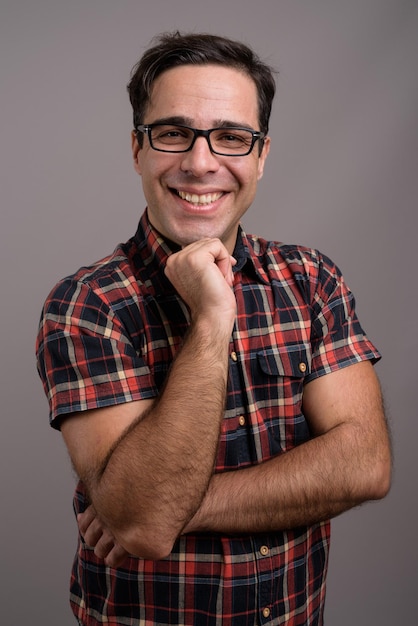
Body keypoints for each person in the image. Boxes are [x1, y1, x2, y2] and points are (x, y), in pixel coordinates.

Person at [36, 32, 391, 626]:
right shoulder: (86, 305)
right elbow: (146, 528)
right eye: (173, 133)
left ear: (262, 154)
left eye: (231, 137)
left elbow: (365, 464)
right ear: (137, 149)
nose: (201, 163)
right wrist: (211, 320)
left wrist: (177, 506)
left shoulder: (311, 279)